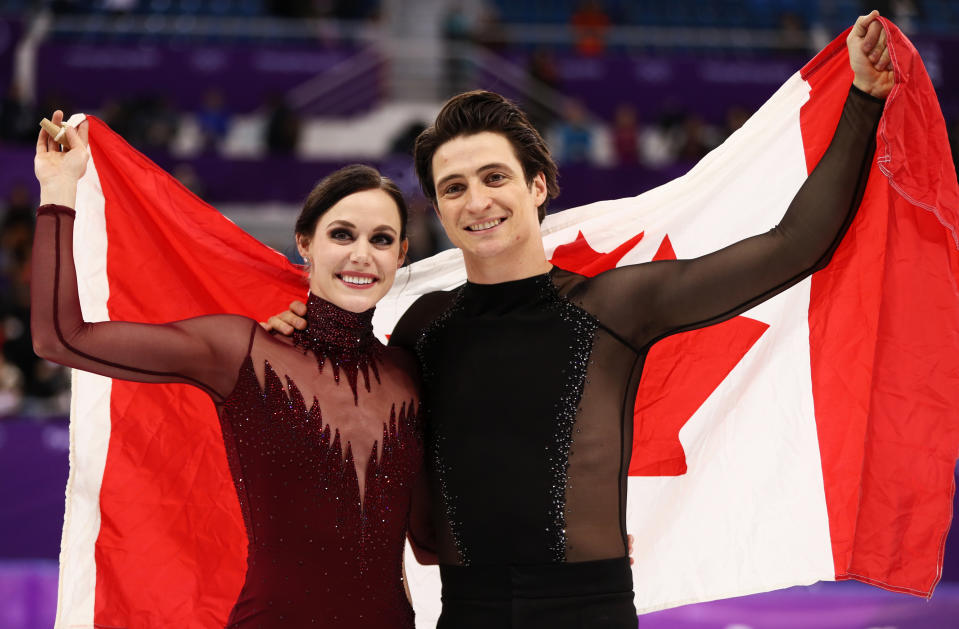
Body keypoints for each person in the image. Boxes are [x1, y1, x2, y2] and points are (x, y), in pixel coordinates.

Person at [268, 12, 893, 628]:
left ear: (537, 186)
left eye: (494, 177)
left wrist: (863, 99)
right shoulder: (421, 328)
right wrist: (296, 324)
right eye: (453, 187)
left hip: (588, 612)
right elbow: (344, 401)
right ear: (437, 207)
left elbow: (794, 245)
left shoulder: (614, 306)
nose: (477, 201)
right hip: (467, 612)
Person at [31, 112, 423, 628]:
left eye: (381, 240)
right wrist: (58, 189)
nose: (361, 255)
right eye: (342, 234)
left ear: (401, 254)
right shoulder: (242, 349)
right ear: (305, 244)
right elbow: (61, 337)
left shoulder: (411, 368)